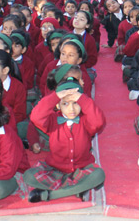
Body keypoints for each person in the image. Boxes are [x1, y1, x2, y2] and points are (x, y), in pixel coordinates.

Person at [24, 71, 106, 203]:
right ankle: (78, 190)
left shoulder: (86, 121)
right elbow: (36, 116)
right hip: (55, 170)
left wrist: (81, 98)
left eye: (75, 103)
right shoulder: (52, 120)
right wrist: (56, 96)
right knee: (29, 176)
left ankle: (49, 195)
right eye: (65, 104)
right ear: (57, 105)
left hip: (81, 169)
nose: (71, 109)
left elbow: (99, 121)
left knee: (99, 175)